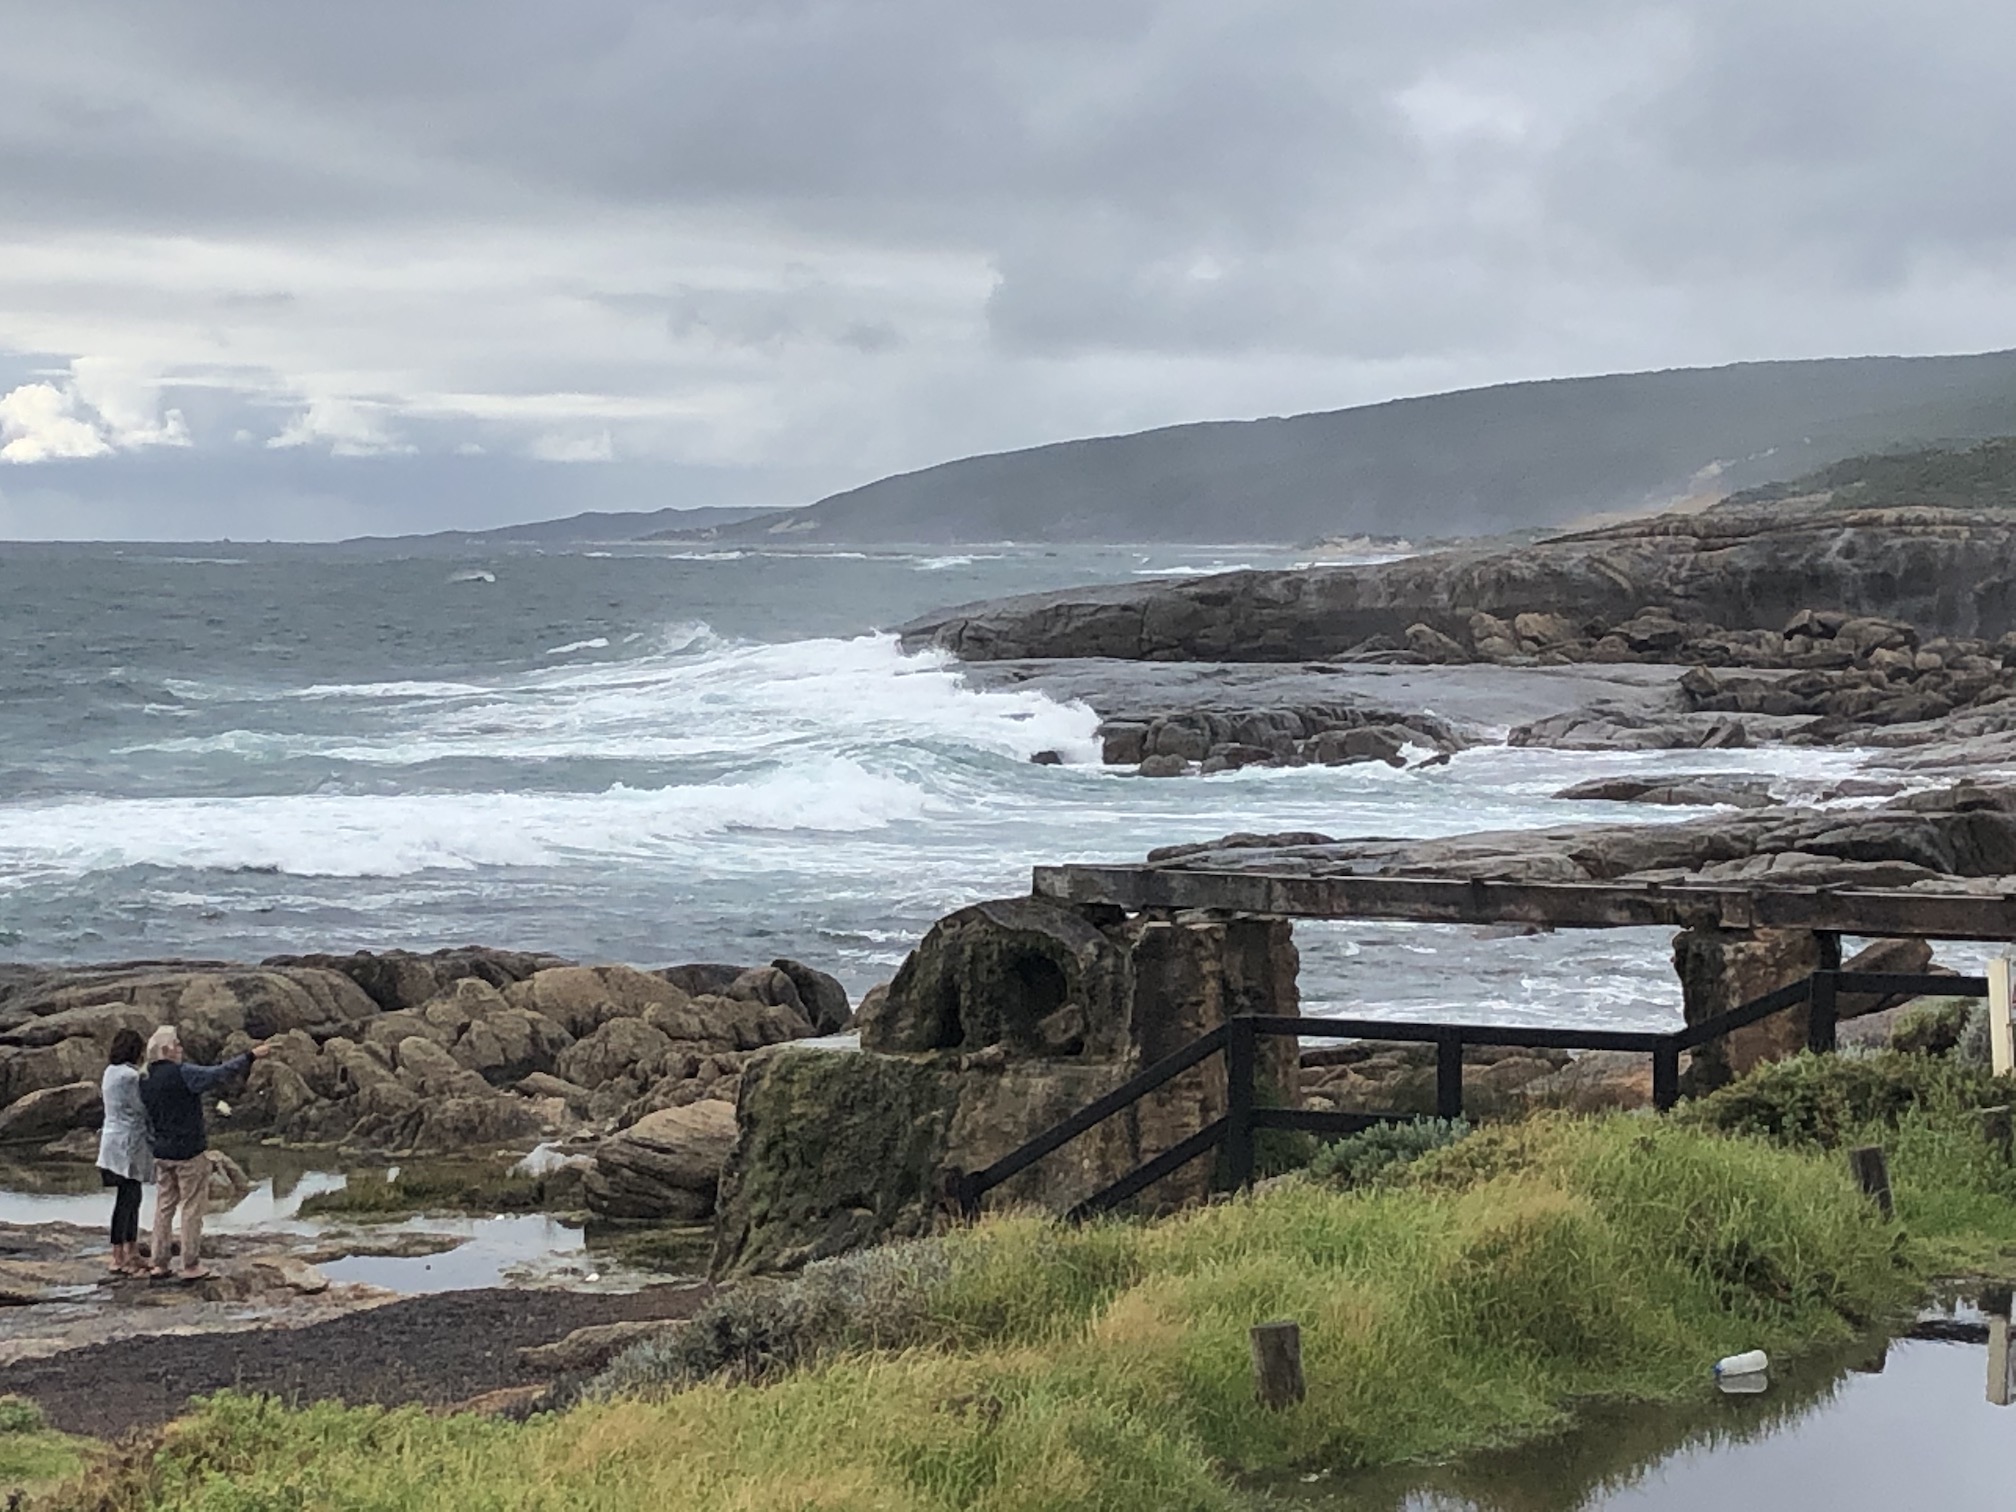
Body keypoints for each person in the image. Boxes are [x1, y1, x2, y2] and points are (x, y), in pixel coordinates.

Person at [139, 1026, 271, 1281]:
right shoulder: (183, 1073)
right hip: (189, 1152)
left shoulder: (144, 1078)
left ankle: (159, 1263)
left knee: (163, 1207)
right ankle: (190, 1265)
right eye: (177, 1044)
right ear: (166, 1050)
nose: (181, 1048)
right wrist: (250, 1056)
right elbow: (218, 1074)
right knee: (191, 1208)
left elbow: (145, 1118)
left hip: (161, 1152)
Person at [96, 1028, 154, 1276]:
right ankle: (121, 1255)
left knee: (130, 1196)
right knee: (128, 1200)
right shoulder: (130, 1076)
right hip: (127, 1144)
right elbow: (141, 1108)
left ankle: (128, 1251)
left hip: (110, 1141)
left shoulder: (110, 1072)